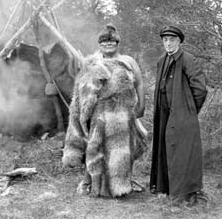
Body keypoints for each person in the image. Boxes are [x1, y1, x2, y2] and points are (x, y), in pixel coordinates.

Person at [77, 23, 145, 194]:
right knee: (94, 147)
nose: (108, 44)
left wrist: (141, 106)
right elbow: (83, 88)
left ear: (117, 43)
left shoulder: (128, 61)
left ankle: (123, 183)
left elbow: (139, 83)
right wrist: (84, 111)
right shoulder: (93, 63)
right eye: (104, 42)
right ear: (99, 44)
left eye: (112, 42)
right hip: (100, 112)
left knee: (123, 150)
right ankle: (89, 183)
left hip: (123, 113)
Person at [150, 25, 208, 205]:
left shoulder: (188, 59)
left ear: (179, 41)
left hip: (181, 113)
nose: (168, 43)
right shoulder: (162, 60)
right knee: (164, 148)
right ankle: (164, 187)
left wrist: (188, 110)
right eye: (165, 40)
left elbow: (200, 89)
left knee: (183, 151)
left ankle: (185, 192)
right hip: (164, 112)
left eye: (172, 40)